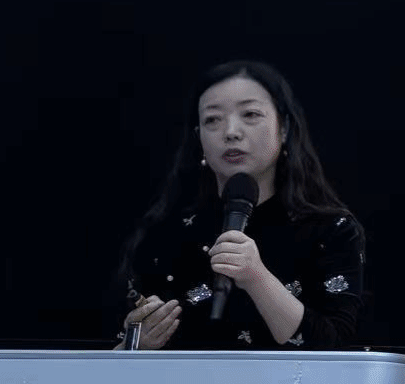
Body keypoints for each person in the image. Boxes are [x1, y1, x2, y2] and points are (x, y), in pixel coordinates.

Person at [112, 61, 365, 350]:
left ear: (284, 128)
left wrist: (257, 277)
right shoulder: (164, 234)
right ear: (199, 138)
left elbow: (338, 349)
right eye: (213, 120)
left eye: (250, 114)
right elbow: (107, 357)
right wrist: (136, 344)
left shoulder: (331, 231)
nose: (231, 132)